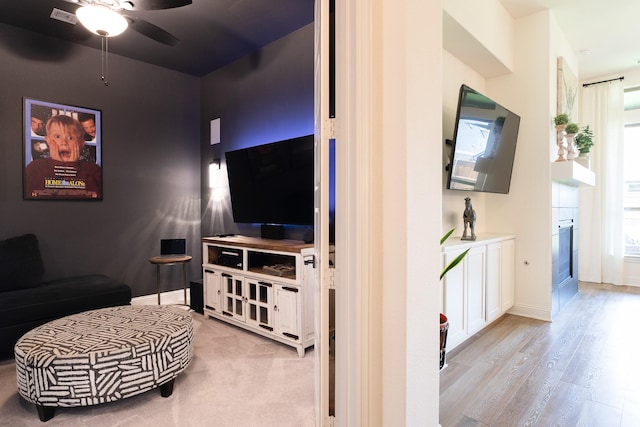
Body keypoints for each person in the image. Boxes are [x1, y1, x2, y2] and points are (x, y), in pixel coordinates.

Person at [25, 115, 102, 199]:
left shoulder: (93, 170)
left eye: (70, 138)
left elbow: (94, 199)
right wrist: (56, 165)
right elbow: (36, 198)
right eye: (57, 136)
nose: (64, 142)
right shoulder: (35, 167)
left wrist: (71, 167)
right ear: (48, 140)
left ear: (81, 143)